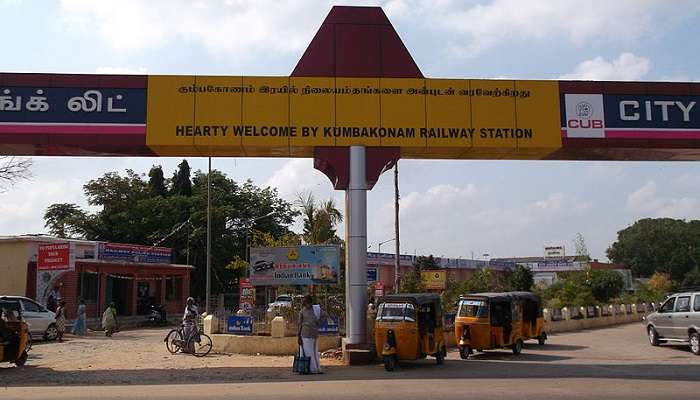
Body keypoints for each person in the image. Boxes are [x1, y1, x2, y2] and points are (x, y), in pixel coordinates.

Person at [297, 295, 326, 374]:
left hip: (314, 334)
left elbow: (324, 315)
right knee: (308, 352)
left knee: (314, 352)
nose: (304, 303)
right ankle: (311, 368)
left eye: (305, 301)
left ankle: (315, 368)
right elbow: (299, 324)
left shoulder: (316, 309)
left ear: (309, 302)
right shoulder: (302, 311)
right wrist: (299, 336)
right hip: (305, 334)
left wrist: (318, 323)